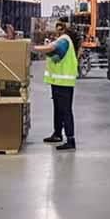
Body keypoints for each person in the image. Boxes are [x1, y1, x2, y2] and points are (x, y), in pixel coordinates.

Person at [34, 17, 79, 150]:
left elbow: (52, 48)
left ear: (61, 29)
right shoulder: (64, 40)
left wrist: (34, 48)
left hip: (63, 82)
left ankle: (70, 140)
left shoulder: (64, 40)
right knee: (58, 109)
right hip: (58, 81)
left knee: (65, 110)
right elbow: (56, 57)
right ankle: (57, 133)